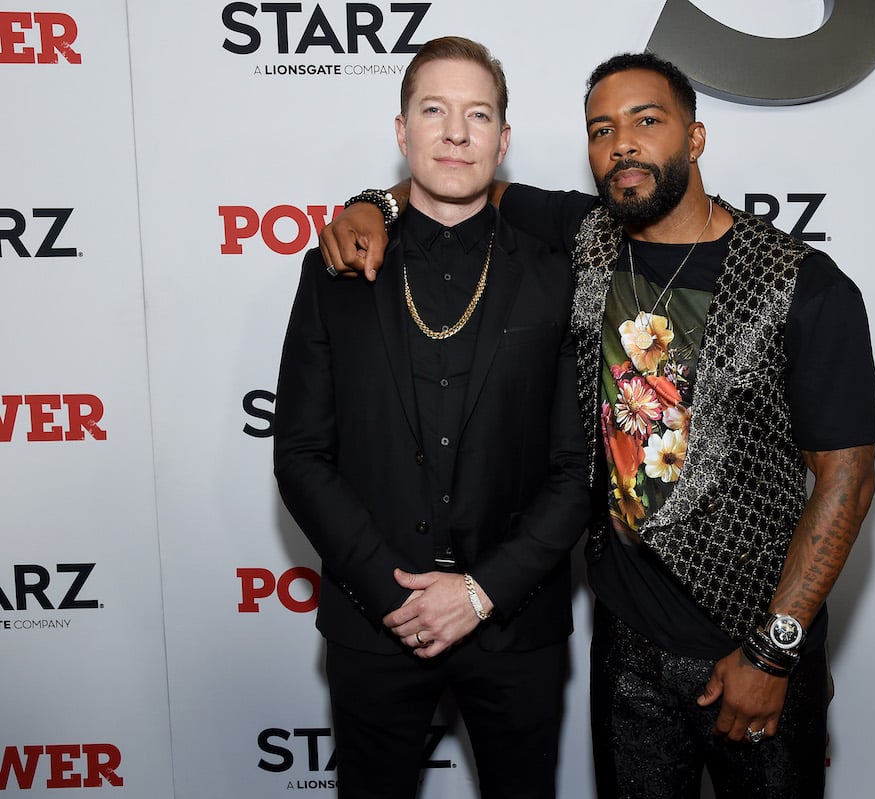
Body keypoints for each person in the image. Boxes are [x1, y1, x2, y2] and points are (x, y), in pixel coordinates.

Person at [321, 51, 875, 799]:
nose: (622, 143)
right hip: (627, 643)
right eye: (602, 128)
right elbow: (451, 177)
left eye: (647, 121)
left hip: (750, 645)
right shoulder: (585, 235)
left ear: (695, 137)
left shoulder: (803, 284)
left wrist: (775, 652)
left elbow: (847, 478)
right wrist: (370, 204)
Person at [273, 36, 589, 799]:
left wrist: (480, 591)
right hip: (374, 625)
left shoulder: (557, 274)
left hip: (515, 627)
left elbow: (578, 469)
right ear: (402, 131)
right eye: (434, 111)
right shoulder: (337, 271)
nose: (455, 132)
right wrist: (394, 596)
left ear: (503, 140)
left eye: (478, 114)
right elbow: (302, 454)